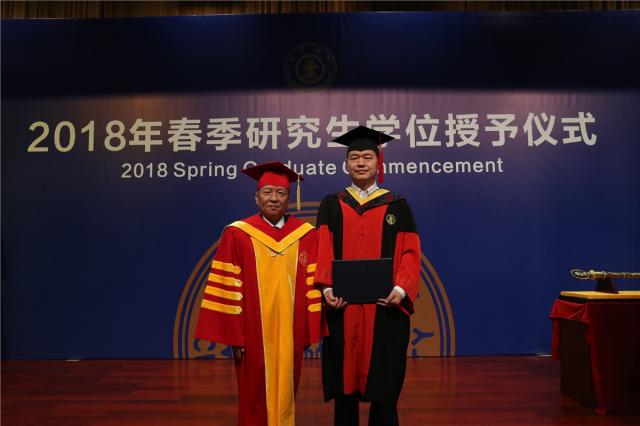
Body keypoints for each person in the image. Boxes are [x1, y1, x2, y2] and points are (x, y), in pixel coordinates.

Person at [194, 162, 322, 426]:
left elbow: (313, 285)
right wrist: (235, 335)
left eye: (281, 193)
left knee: (289, 385)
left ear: (289, 199)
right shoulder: (237, 234)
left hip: (291, 329)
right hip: (251, 331)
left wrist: (308, 329)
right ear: (256, 197)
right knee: (252, 390)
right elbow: (227, 286)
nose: (274, 198)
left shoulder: (306, 235)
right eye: (267, 192)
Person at [314, 126, 421, 426]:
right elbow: (322, 248)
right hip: (343, 307)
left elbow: (410, 252)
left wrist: (401, 289)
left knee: (384, 386)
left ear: (378, 162)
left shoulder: (397, 205)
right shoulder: (332, 204)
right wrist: (326, 289)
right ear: (346, 164)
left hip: (385, 308)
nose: (361, 163)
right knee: (344, 385)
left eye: (367, 157)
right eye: (355, 157)